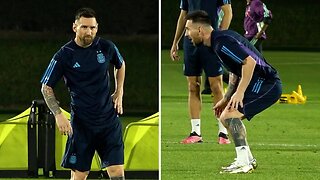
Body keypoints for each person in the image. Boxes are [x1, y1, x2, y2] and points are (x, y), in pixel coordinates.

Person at [185, 10, 282, 173]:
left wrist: (240, 92)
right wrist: (227, 97)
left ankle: (244, 163)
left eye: (188, 30)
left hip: (266, 82)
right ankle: (247, 160)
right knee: (225, 116)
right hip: (258, 81)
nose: (187, 34)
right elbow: (234, 71)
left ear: (200, 30)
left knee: (229, 116)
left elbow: (249, 63)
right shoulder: (217, 43)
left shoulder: (221, 42)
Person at [40, 8, 125, 179]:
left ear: (97, 27)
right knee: (80, 174)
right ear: (75, 27)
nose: (89, 31)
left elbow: (120, 64)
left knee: (117, 171)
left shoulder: (106, 47)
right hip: (82, 124)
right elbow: (46, 87)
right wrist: (58, 115)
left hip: (108, 121)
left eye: (92, 27)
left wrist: (119, 91)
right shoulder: (64, 55)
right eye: (84, 27)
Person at [170, 0, 232, 144]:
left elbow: (228, 12)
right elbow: (183, 15)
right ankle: (195, 132)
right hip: (191, 41)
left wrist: (219, 37)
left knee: (216, 86)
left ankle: (223, 133)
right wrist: (175, 42)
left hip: (210, 40)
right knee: (193, 86)